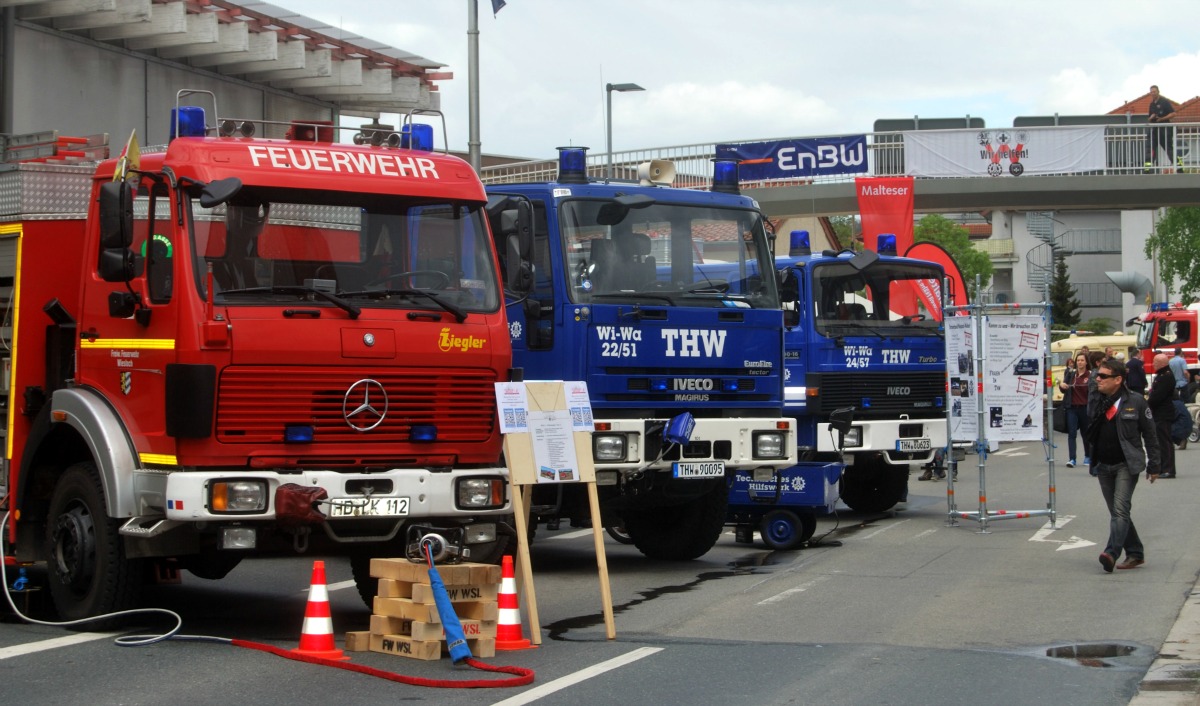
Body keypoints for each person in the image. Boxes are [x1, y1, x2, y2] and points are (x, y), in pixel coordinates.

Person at [1085, 358, 1159, 572]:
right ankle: (1135, 552)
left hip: (1126, 464)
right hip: (1103, 465)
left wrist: (1154, 465)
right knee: (1119, 513)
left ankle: (1111, 553)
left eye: (1103, 376)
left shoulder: (1135, 401)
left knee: (1119, 510)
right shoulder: (1097, 400)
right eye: (1097, 375)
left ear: (1118, 379)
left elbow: (1151, 435)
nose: (1097, 379)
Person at [1058, 353, 1092, 467]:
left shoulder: (1090, 375)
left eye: (1082, 360)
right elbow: (1063, 388)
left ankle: (1088, 456)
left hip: (1084, 408)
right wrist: (1062, 385)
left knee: (1085, 433)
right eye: (1078, 360)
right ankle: (1072, 459)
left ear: (1086, 362)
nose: (1080, 362)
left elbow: (1093, 392)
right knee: (1072, 434)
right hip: (1071, 408)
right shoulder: (1071, 374)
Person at [1147, 353, 1177, 478]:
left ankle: (1168, 469)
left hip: (1163, 413)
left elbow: (1158, 396)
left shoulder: (1166, 377)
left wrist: (1147, 402)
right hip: (1159, 413)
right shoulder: (1162, 375)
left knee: (1165, 442)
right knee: (1160, 441)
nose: (1153, 364)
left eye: (1155, 362)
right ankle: (1162, 467)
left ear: (1162, 363)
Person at [1145, 84, 1177, 171]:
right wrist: (1151, 117)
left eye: (1154, 92)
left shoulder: (1164, 101)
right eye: (1151, 92)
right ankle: (1147, 169)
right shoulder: (1151, 104)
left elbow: (1173, 114)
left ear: (1158, 92)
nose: (1153, 94)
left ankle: (1179, 167)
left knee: (1169, 148)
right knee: (1150, 148)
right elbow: (1149, 118)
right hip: (1154, 129)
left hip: (1164, 129)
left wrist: (1162, 118)